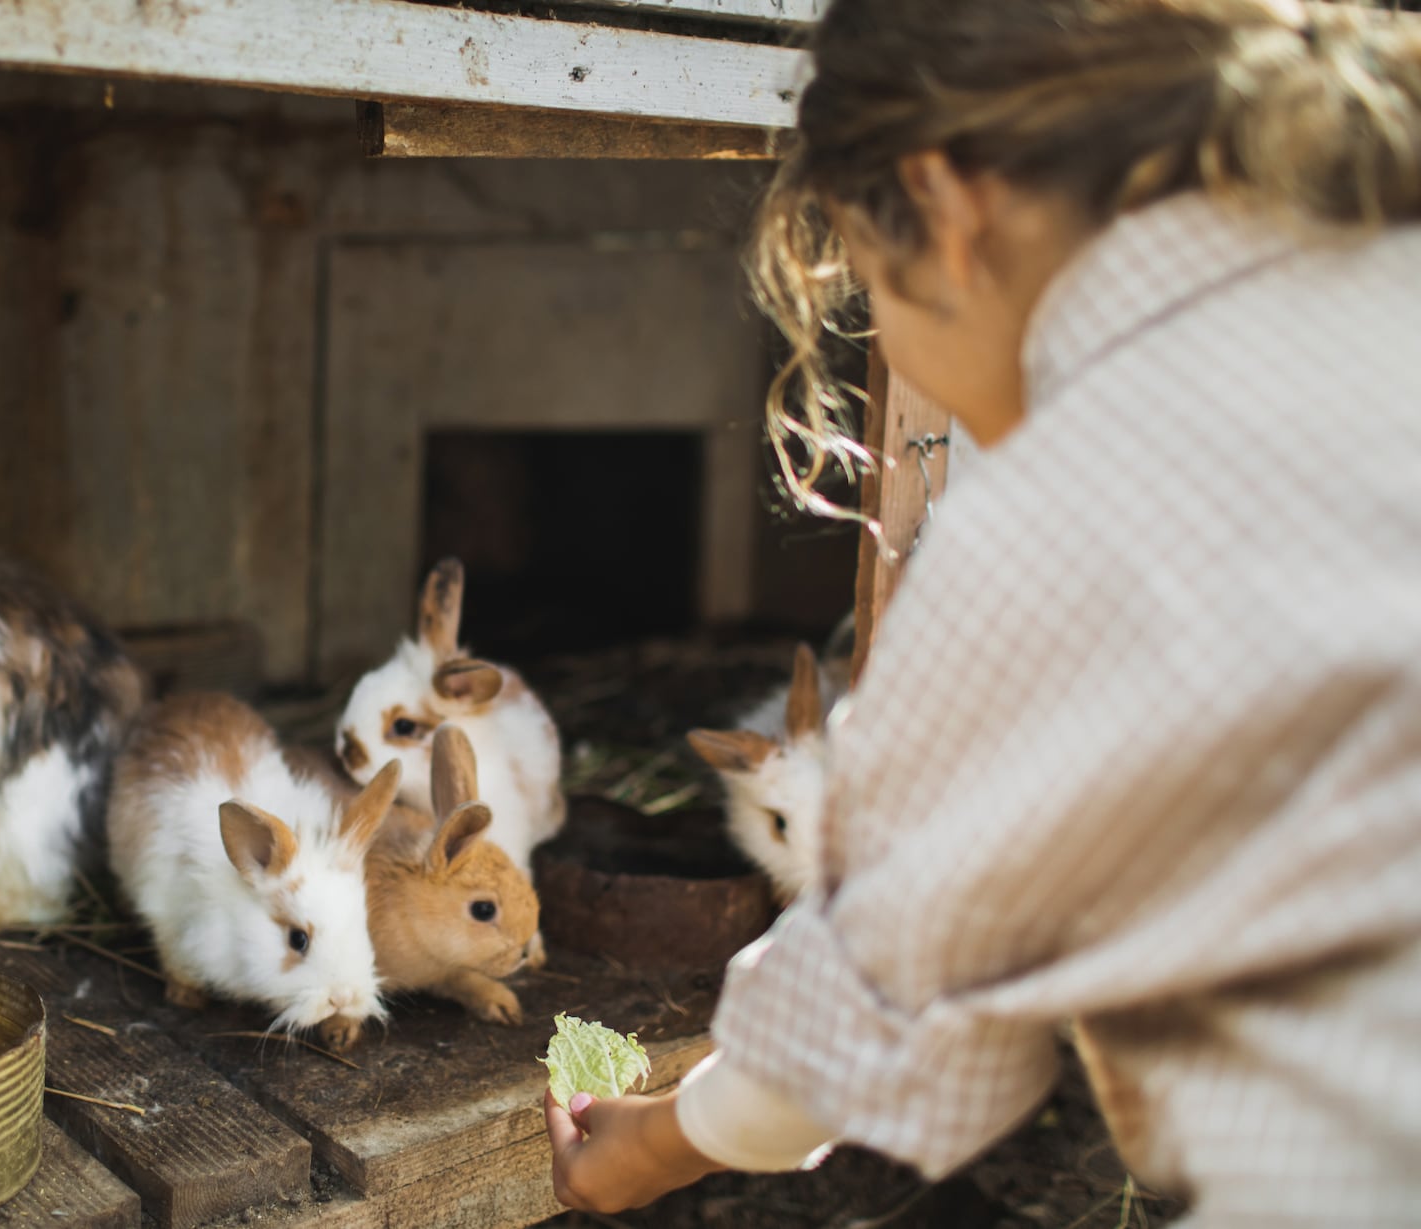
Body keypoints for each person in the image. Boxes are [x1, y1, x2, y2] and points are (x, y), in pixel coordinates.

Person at [544, 2, 1421, 1224]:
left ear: (943, 207)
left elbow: (887, 988)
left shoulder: (1069, 495)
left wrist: (658, 1141)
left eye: (860, 274)